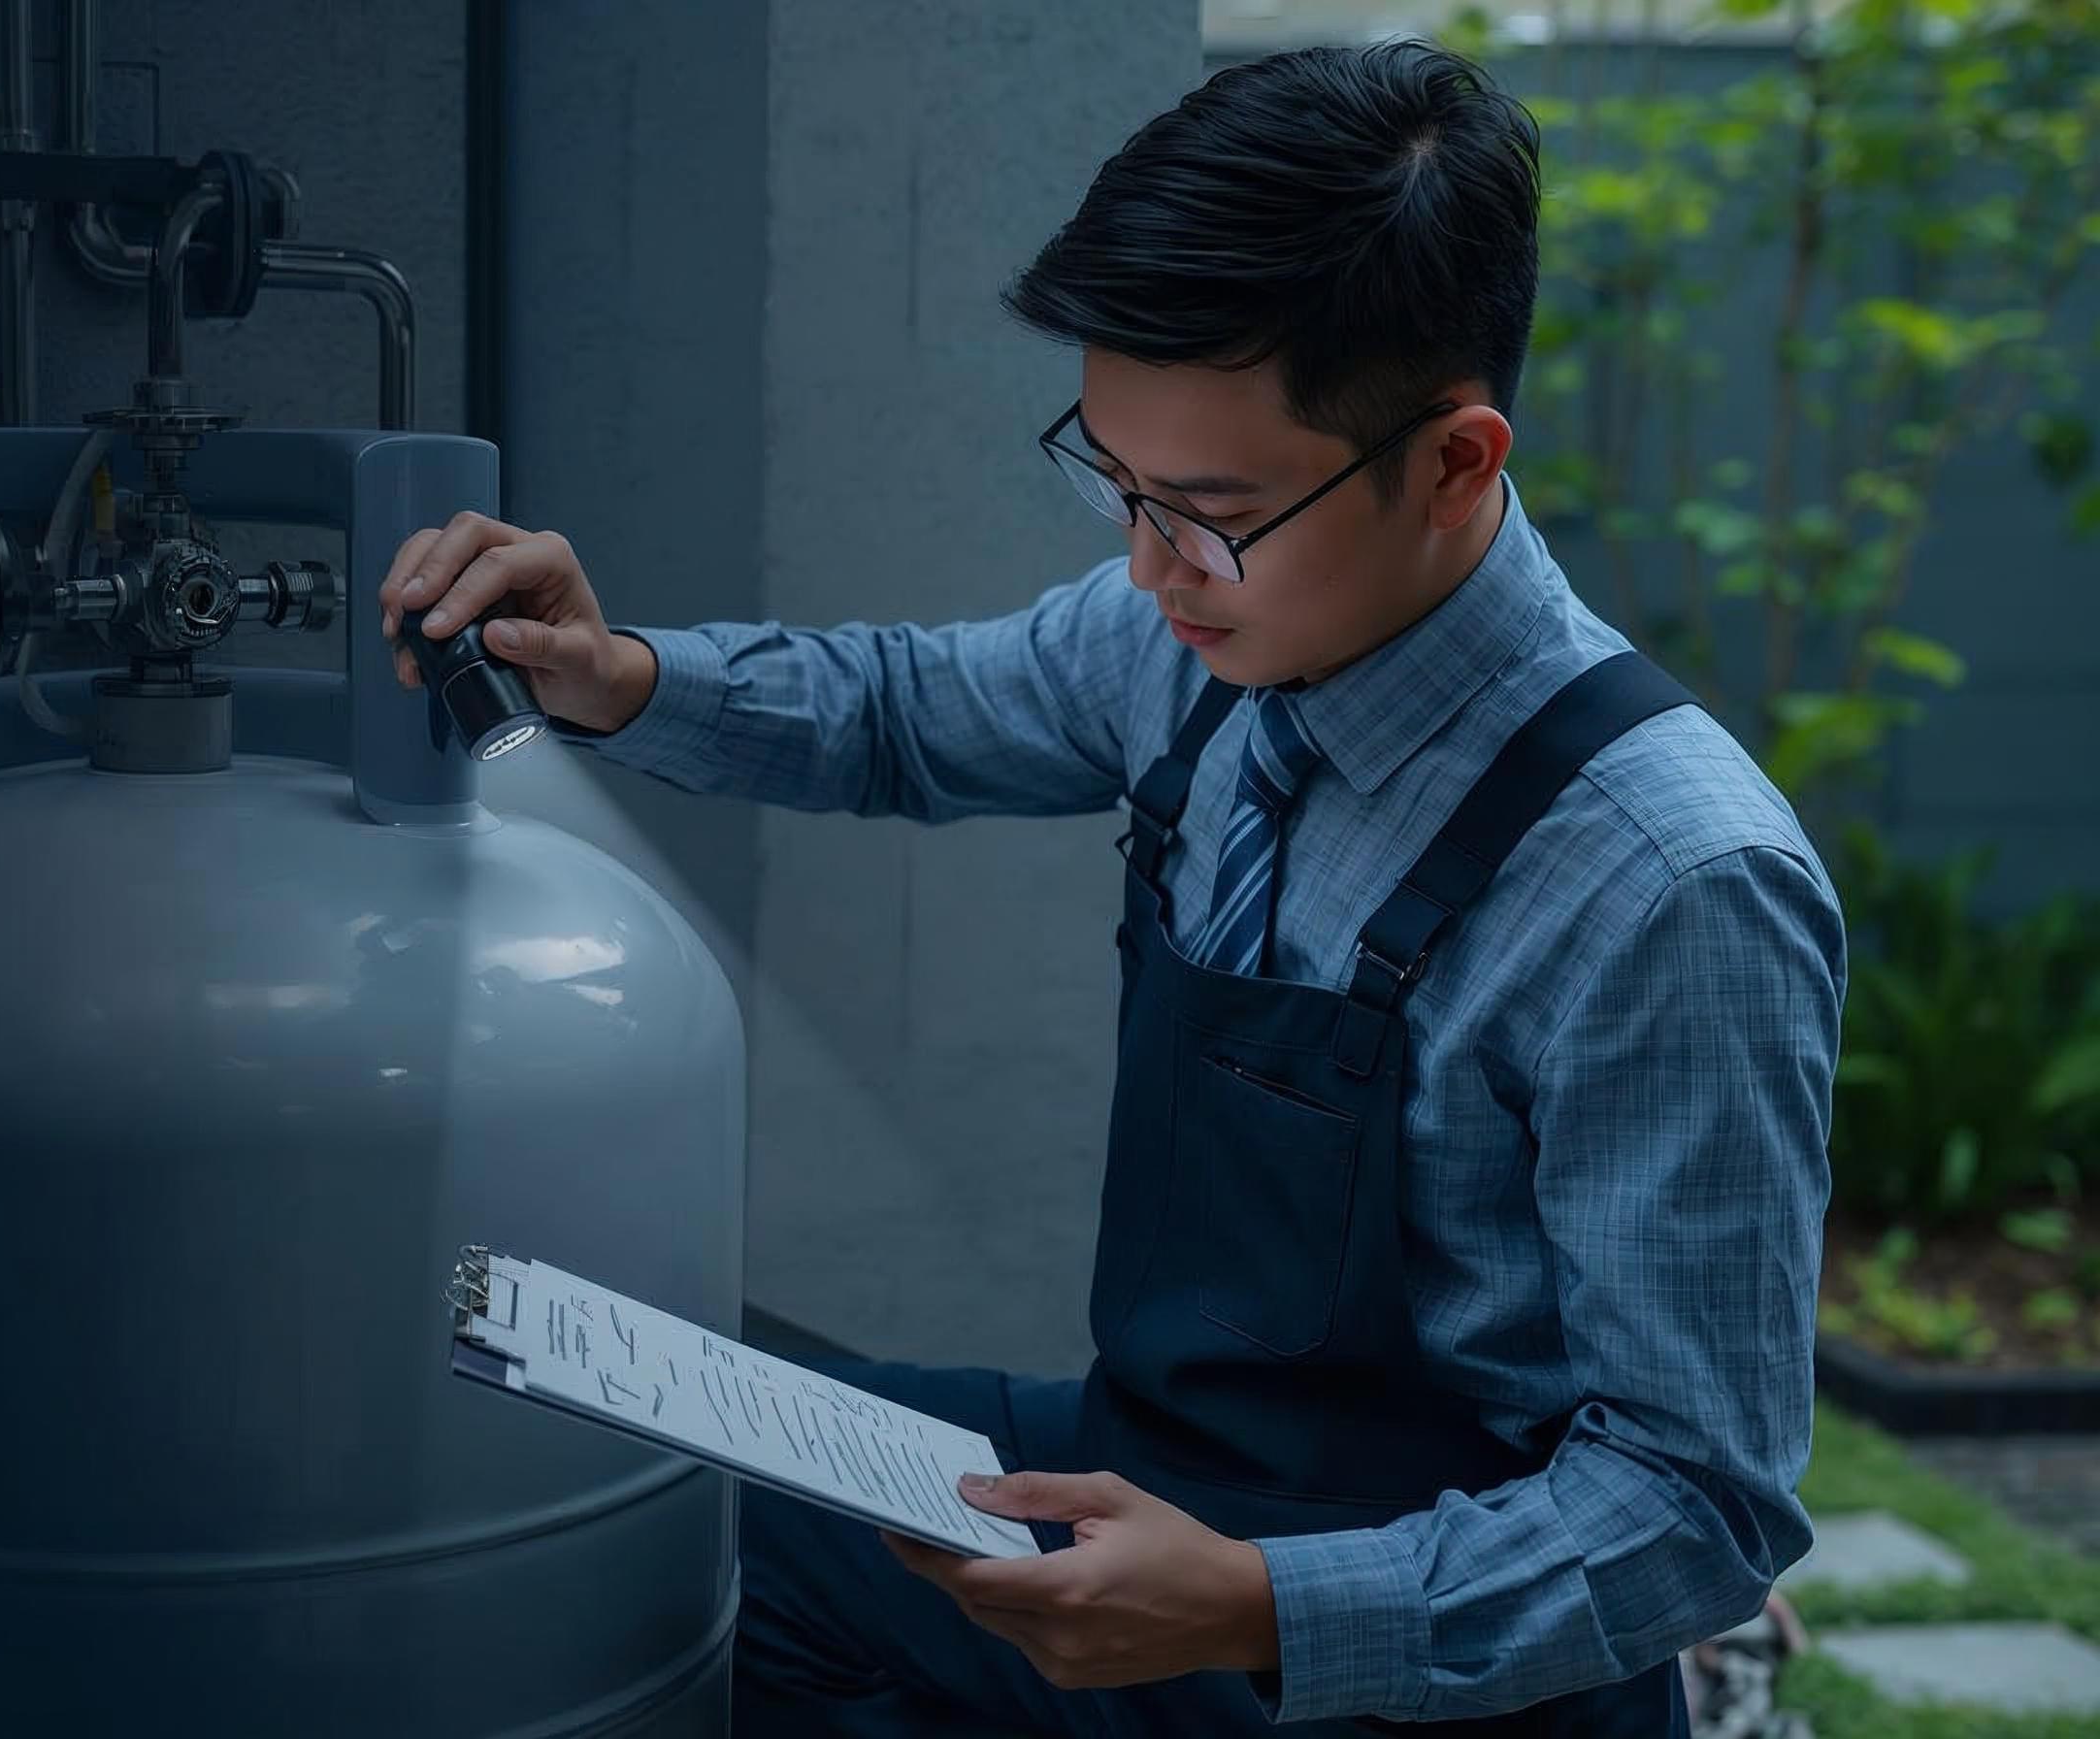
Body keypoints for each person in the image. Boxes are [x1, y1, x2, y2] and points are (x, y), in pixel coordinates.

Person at [381, 36, 1844, 1739]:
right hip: (1160, 1470)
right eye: (1117, 484)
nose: (1147, 569)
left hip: (1396, 1660)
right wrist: (622, 672)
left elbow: (1699, 1509)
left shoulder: (1672, 884)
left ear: (1454, 464)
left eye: (1209, 514)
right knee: (668, 1499)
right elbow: (910, 713)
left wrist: (1262, 1607)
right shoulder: (1199, 638)